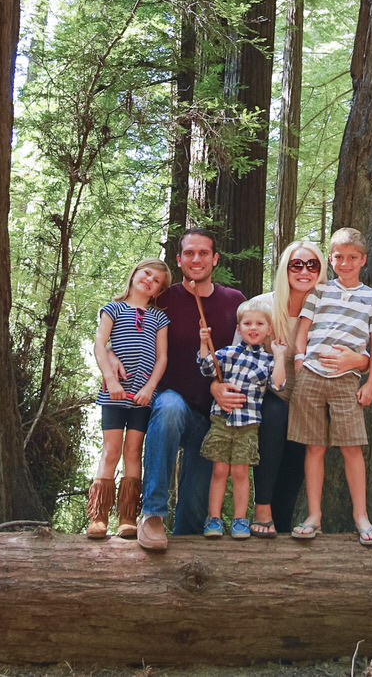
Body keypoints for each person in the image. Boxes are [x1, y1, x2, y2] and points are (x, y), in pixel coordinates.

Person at [134, 228, 246, 551]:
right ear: (180, 260)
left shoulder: (234, 302)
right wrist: (110, 358)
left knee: (194, 515)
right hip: (169, 406)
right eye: (189, 254)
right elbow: (126, 320)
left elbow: (246, 354)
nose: (196, 259)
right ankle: (153, 514)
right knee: (169, 407)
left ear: (215, 258)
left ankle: (185, 565)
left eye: (203, 253)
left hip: (212, 419)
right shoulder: (163, 300)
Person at [251, 240, 365, 536]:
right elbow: (240, 357)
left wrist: (360, 360)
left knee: (300, 452)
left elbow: (363, 347)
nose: (305, 271)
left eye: (312, 264)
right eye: (297, 264)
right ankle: (261, 509)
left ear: (321, 269)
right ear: (285, 269)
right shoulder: (260, 306)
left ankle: (285, 524)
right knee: (276, 418)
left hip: (313, 395)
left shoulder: (332, 305)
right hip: (269, 395)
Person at [289, 227, 372, 546]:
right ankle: (314, 516)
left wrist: (371, 381)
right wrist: (300, 358)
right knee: (314, 447)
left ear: (363, 260)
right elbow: (304, 327)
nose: (345, 263)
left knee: (351, 448)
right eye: (339, 257)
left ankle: (361, 517)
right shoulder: (319, 292)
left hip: (348, 380)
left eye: (352, 258)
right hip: (312, 375)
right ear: (331, 259)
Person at [86, 258, 171, 539]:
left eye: (157, 280)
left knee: (133, 451)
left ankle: (127, 517)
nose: (150, 280)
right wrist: (110, 378)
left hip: (142, 396)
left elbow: (162, 358)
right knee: (111, 450)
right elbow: (100, 344)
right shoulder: (113, 309)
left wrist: (150, 388)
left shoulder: (159, 318)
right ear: (134, 274)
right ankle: (98, 517)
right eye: (147, 273)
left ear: (159, 290)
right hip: (114, 393)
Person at [196, 294, 288, 539]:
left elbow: (278, 385)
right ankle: (213, 519)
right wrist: (204, 343)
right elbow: (206, 367)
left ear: (268, 329)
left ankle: (240, 520)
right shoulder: (227, 353)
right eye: (247, 324)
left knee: (240, 472)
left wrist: (279, 356)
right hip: (222, 421)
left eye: (259, 324)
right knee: (219, 471)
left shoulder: (268, 361)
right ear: (239, 328)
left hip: (248, 424)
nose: (253, 328)